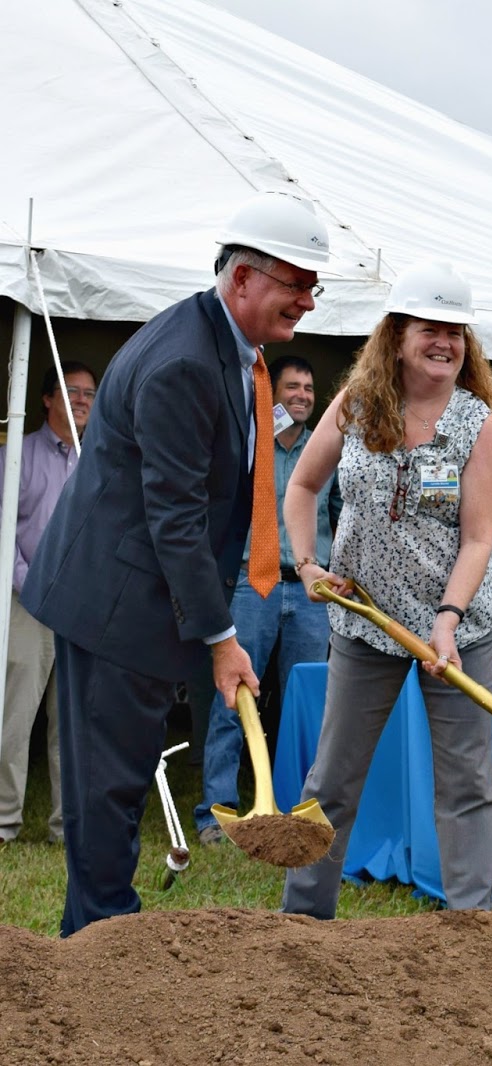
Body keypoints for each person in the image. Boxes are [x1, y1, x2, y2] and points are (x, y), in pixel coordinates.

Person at [21, 191, 331, 935]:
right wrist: (222, 640)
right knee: (109, 785)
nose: (308, 302)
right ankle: (100, 937)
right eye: (296, 284)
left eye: (313, 286)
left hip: (136, 598)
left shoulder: (223, 346)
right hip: (117, 604)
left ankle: (99, 932)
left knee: (118, 779)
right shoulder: (187, 361)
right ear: (243, 278)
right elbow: (176, 517)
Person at [282, 261, 492, 918]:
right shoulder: (356, 405)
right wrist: (307, 563)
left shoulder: (478, 425)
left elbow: (479, 539)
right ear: (398, 334)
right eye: (430, 329)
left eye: (455, 332)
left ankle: (471, 925)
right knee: (333, 778)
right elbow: (302, 486)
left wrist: (448, 618)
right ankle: (302, 921)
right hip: (364, 619)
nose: (444, 342)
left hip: (456, 630)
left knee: (466, 781)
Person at [194, 355, 341, 846]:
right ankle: (216, 814)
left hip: (310, 594)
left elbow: (341, 515)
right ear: (271, 394)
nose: (302, 395)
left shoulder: (325, 451)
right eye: (292, 387)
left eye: (309, 388)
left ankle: (299, 808)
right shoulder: (248, 445)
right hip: (251, 584)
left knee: (308, 703)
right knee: (234, 698)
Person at [0, 362, 96, 846]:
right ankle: (4, 821)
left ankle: (68, 826)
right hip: (28, 604)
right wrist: (32, 587)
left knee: (74, 725)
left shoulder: (101, 459)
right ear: (46, 398)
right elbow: (3, 533)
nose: (82, 400)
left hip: (83, 608)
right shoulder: (15, 454)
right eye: (71, 390)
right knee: (13, 719)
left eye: (89, 393)